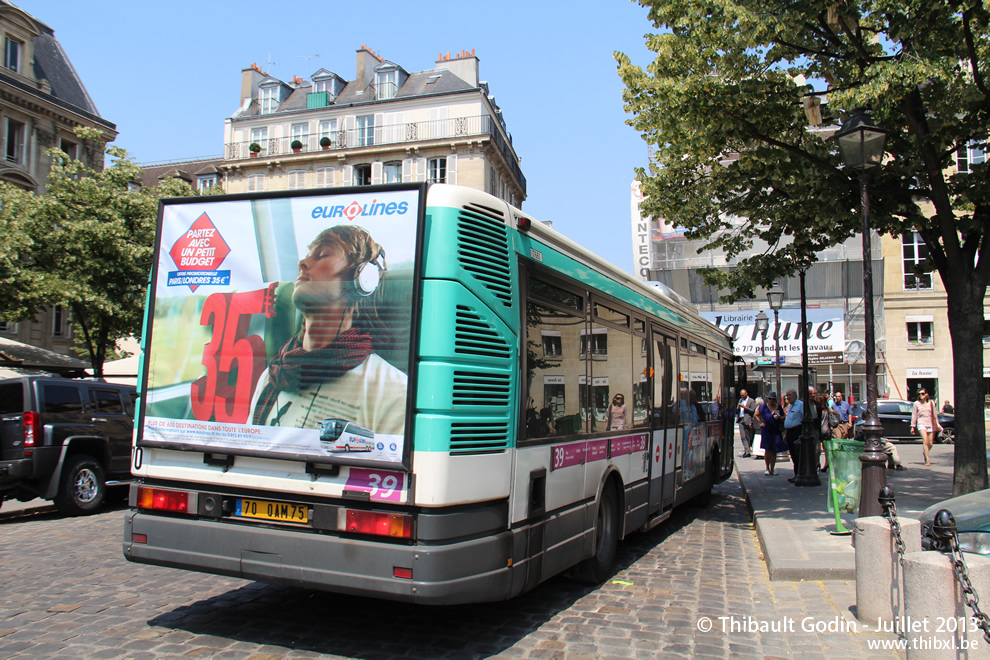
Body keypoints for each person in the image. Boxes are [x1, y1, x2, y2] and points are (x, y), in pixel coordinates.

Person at [251, 225, 407, 436]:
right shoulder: (273, 377)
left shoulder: (392, 393)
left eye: (322, 255)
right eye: (307, 255)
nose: (302, 263)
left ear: (361, 279)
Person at [754, 392, 787, 476]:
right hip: (766, 429)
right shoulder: (763, 407)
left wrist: (780, 417)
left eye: (773, 399)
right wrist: (760, 423)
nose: (771, 400)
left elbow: (784, 416)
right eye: (769, 399)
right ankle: (767, 468)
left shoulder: (778, 407)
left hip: (775, 429)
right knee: (767, 449)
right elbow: (755, 415)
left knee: (774, 450)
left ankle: (772, 468)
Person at [911, 388, 941, 466]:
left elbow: (934, 415)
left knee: (931, 443)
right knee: (926, 441)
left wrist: (937, 425)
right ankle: (927, 460)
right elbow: (914, 415)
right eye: (919, 394)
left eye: (922, 394)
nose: (921, 395)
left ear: (926, 394)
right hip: (921, 423)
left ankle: (925, 452)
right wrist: (912, 426)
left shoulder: (931, 403)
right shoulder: (916, 404)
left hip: (930, 423)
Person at [783, 389, 804, 482]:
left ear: (795, 395)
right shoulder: (791, 406)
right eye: (787, 395)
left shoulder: (800, 405)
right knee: (793, 454)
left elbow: (805, 419)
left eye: (790, 395)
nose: (788, 397)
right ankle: (796, 474)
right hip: (790, 432)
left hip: (797, 431)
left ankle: (799, 475)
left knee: (797, 455)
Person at [736, 389, 756, 458]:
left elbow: (753, 410)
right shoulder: (740, 400)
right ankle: (747, 450)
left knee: (748, 436)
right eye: (741, 395)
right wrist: (738, 408)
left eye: (743, 395)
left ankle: (748, 450)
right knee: (743, 436)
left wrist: (745, 407)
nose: (742, 396)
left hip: (747, 419)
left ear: (746, 393)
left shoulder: (751, 401)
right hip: (741, 419)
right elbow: (737, 410)